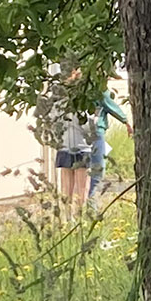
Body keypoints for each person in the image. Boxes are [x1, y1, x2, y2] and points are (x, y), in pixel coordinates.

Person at [51, 68, 94, 213]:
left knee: (67, 188)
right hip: (82, 146)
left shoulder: (59, 104)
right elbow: (89, 126)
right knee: (82, 187)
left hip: (65, 146)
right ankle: (79, 217)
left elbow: (53, 123)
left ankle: (68, 217)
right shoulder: (83, 103)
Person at [88, 86, 131, 205]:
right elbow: (111, 106)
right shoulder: (99, 90)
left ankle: (78, 206)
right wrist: (126, 121)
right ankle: (92, 205)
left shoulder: (77, 89)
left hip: (79, 134)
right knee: (98, 170)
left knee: (80, 171)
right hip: (96, 131)